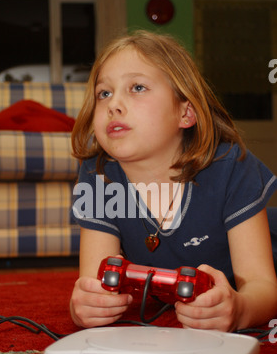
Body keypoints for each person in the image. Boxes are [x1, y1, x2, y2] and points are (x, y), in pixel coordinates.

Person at [70, 30, 277, 331]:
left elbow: (262, 286)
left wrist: (240, 309)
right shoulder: (97, 176)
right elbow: (95, 282)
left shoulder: (231, 167)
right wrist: (85, 307)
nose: (113, 104)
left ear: (185, 113)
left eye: (137, 87)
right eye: (104, 93)